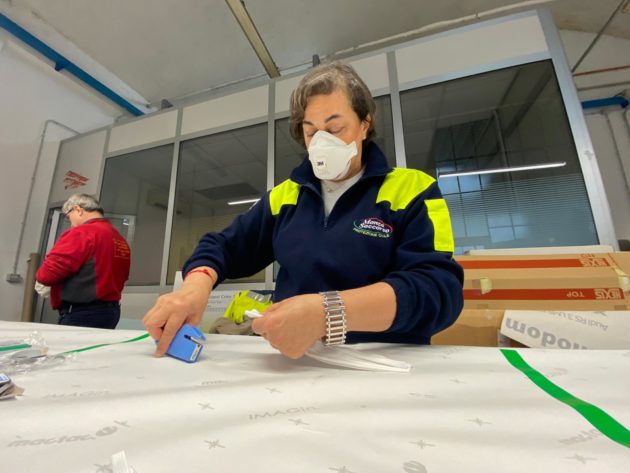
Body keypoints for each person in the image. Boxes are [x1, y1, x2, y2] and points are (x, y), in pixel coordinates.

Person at [143, 62, 464, 358]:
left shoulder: (414, 190)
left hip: (385, 363)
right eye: (311, 132)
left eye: (334, 129)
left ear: (365, 124)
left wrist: (328, 312)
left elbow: (438, 290)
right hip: (295, 365)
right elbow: (222, 246)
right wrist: (195, 287)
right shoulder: (287, 196)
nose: (321, 143)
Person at [35, 193, 131, 329]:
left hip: (82, 313)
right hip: (110, 312)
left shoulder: (81, 233)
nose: (70, 222)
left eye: (69, 216)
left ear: (78, 210)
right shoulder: (119, 238)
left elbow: (46, 275)